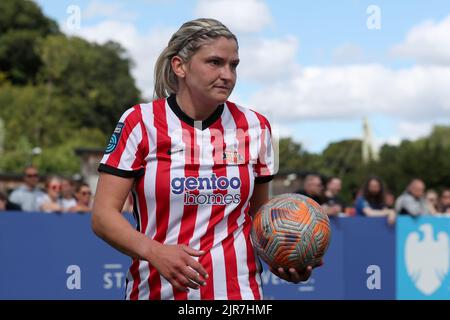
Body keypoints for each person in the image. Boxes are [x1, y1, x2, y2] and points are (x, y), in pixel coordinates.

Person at [91, 18, 318, 300]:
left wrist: (283, 255)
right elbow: (102, 216)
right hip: (155, 292)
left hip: (239, 296)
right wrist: (154, 251)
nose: (228, 75)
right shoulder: (141, 122)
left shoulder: (255, 126)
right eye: (215, 62)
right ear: (180, 66)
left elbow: (260, 218)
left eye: (233, 65)